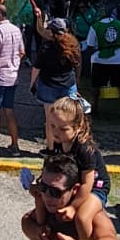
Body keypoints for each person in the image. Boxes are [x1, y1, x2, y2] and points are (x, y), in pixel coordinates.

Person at [20, 98, 111, 240]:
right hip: (74, 184)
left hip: (96, 187)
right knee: (41, 198)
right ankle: (41, 238)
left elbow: (87, 183)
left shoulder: (85, 149)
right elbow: (52, 168)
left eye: (62, 128)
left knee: (82, 217)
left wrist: (74, 207)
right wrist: (39, 185)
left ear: (78, 127)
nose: (56, 132)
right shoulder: (58, 144)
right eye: (52, 126)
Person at [29, 8, 82, 151]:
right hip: (68, 85)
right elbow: (78, 64)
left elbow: (36, 68)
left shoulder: (46, 47)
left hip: (49, 86)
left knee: (50, 120)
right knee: (69, 119)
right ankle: (69, 148)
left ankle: (51, 149)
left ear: (52, 32)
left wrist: (32, 84)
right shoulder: (73, 44)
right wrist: (77, 81)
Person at [0, 3, 24, 159]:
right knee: (9, 110)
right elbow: (22, 52)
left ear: (0, 15)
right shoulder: (16, 29)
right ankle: (15, 145)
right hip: (12, 76)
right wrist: (13, 64)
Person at [86, 12, 120, 115]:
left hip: (99, 60)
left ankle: (93, 110)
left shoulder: (95, 27)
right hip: (118, 60)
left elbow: (90, 45)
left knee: (95, 87)